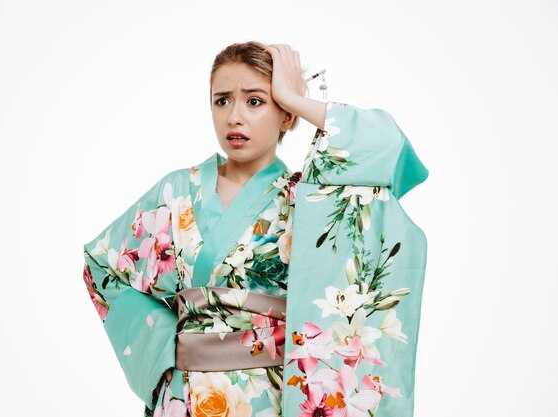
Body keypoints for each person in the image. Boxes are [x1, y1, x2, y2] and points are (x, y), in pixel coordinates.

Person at [82, 41, 429, 417]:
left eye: (255, 101)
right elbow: (101, 265)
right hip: (186, 396)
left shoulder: (310, 199)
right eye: (222, 100)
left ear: (286, 117)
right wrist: (164, 350)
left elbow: (388, 147)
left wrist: (292, 97)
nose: (234, 116)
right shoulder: (176, 191)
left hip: (269, 397)